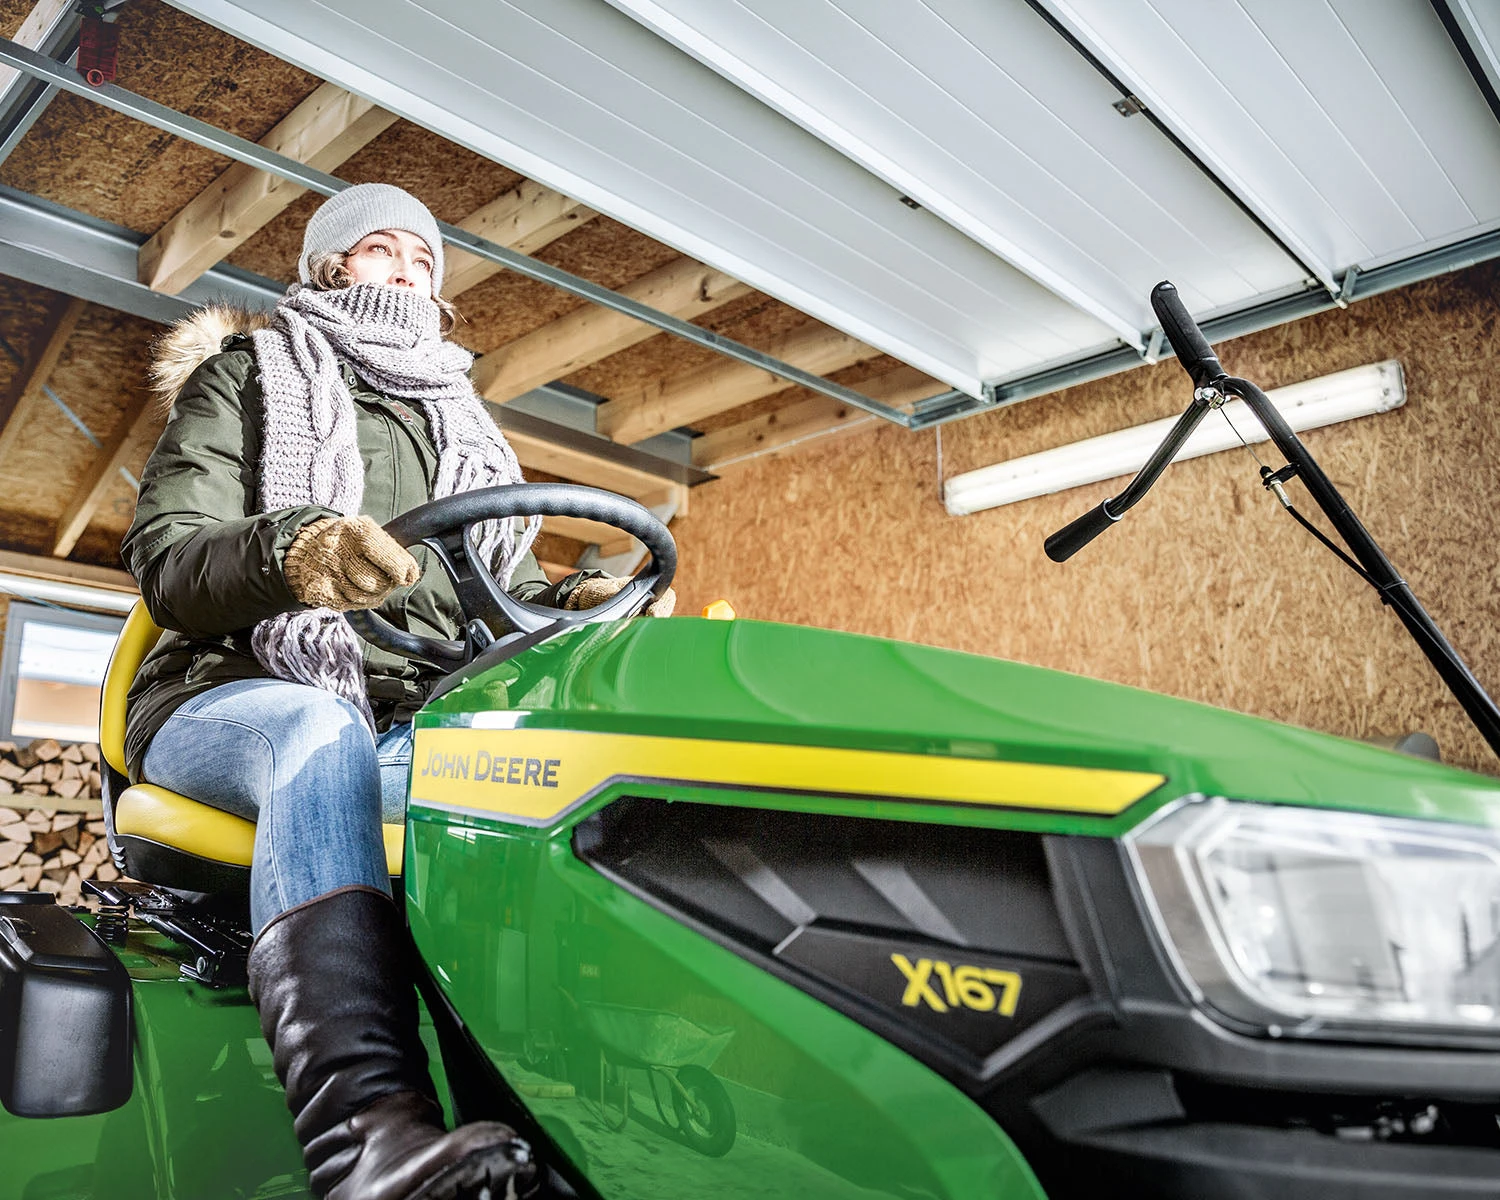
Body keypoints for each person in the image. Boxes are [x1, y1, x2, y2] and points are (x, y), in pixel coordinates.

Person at [121, 182, 672, 1200]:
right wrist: (298, 551)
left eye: (423, 259)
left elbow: (492, 598)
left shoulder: (462, 425)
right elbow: (169, 560)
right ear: (330, 267)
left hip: (402, 716)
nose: (407, 271)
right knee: (318, 730)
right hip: (233, 691)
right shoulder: (249, 374)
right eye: (380, 249)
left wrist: (574, 601)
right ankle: (364, 1134)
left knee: (526, 780)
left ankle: (531, 1130)